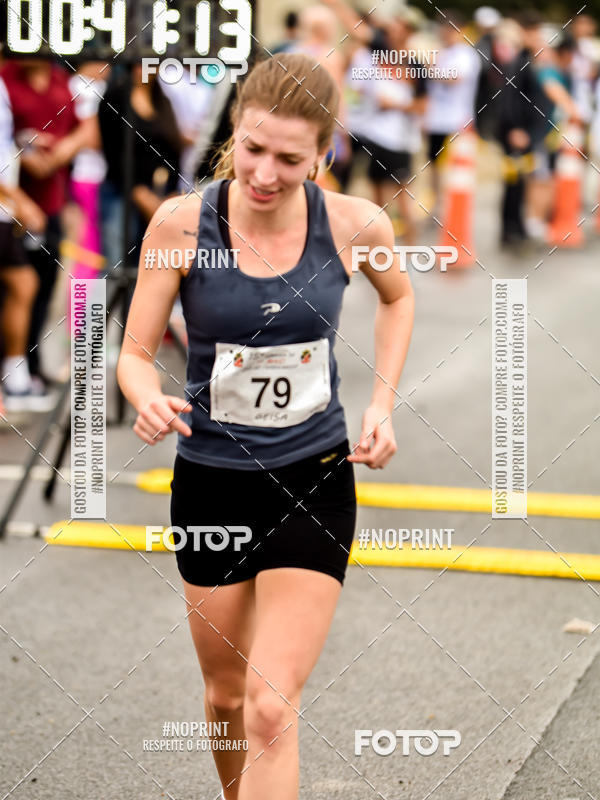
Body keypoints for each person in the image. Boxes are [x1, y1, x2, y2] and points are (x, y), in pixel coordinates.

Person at [116, 53, 414, 800]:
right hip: (212, 485)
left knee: (271, 708)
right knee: (225, 698)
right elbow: (133, 356)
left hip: (313, 478)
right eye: (252, 149)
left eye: (289, 159)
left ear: (323, 154)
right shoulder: (181, 223)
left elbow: (398, 297)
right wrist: (146, 396)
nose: (265, 173)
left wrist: (381, 402)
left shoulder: (353, 223)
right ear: (234, 135)